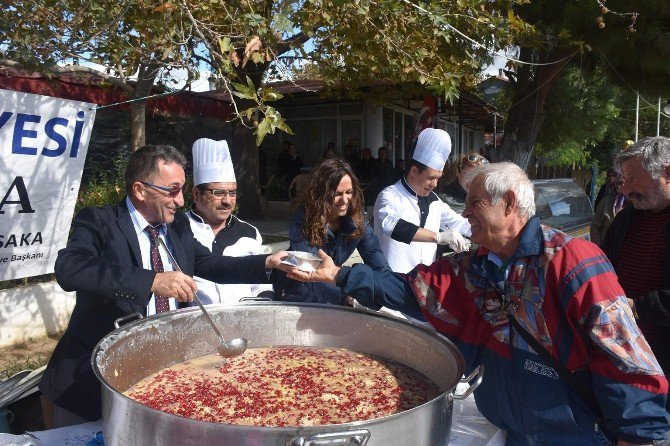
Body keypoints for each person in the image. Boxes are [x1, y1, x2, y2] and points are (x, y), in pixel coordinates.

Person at [291, 162, 670, 445]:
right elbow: (409, 290)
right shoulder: (473, 266)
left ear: (508, 203)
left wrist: (640, 434)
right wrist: (340, 276)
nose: (465, 212)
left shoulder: (570, 261)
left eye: (474, 202)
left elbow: (622, 353)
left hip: (576, 434)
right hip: (514, 432)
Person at [39, 144, 290, 427]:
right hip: (90, 380)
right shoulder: (100, 221)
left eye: (182, 190)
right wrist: (151, 281)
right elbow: (70, 268)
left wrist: (269, 262)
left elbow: (210, 264)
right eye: (172, 190)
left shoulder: (177, 227)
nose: (181, 201)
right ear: (140, 190)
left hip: (160, 370)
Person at [603, 136, 670, 406]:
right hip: (624, 355)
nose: (625, 189)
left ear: (667, 172)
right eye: (623, 179)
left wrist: (636, 307)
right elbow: (604, 269)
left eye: (633, 178)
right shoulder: (626, 219)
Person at [273, 158, 390, 304]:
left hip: (333, 293)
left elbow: (376, 258)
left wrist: (388, 290)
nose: (345, 200)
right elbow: (310, 270)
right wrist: (347, 297)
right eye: (337, 194)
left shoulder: (358, 221)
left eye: (349, 192)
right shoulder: (302, 218)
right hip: (297, 294)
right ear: (320, 193)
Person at [185, 138, 274, 304]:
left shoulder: (249, 232)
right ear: (196, 194)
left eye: (232, 193)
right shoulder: (179, 229)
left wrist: (264, 303)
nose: (227, 201)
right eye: (218, 193)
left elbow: (261, 286)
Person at [373, 129, 471, 273]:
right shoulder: (390, 195)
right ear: (414, 171)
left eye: (438, 178)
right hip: (391, 280)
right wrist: (438, 236)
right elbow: (387, 224)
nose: (435, 184)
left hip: (423, 285)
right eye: (431, 178)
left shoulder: (434, 200)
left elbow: (458, 222)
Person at [589, 172, 626, 247]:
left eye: (626, 183)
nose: (623, 185)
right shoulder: (606, 202)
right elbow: (595, 226)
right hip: (607, 248)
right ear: (616, 185)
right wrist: (599, 248)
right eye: (620, 183)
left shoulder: (635, 202)